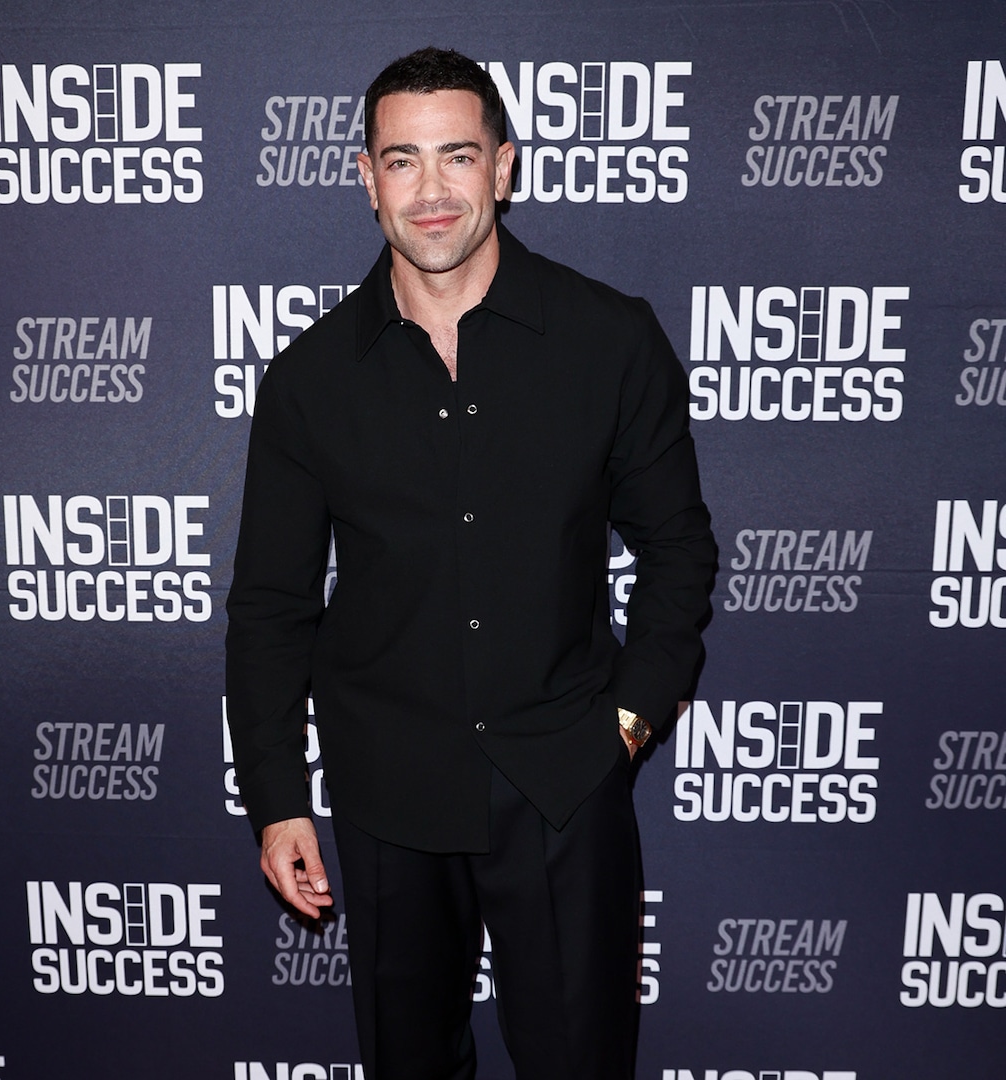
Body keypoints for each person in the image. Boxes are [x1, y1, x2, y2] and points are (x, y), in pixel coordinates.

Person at [226, 46, 715, 1080]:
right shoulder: (311, 380)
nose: (432, 189)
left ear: (504, 165)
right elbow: (270, 607)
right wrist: (277, 798)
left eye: (457, 154)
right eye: (402, 160)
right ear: (367, 179)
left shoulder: (609, 339)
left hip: (565, 781)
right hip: (387, 793)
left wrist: (627, 727)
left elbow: (678, 550)